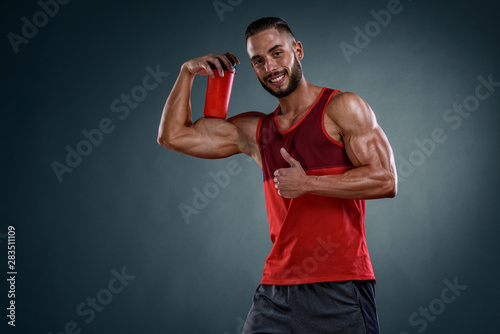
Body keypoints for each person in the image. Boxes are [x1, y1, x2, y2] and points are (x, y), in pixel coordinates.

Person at [158, 16, 397, 334]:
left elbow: (385, 179)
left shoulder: (342, 108)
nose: (269, 67)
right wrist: (187, 72)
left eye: (276, 53)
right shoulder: (257, 131)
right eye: (258, 60)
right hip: (277, 292)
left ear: (297, 50)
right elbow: (172, 136)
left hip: (340, 286)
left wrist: (309, 183)